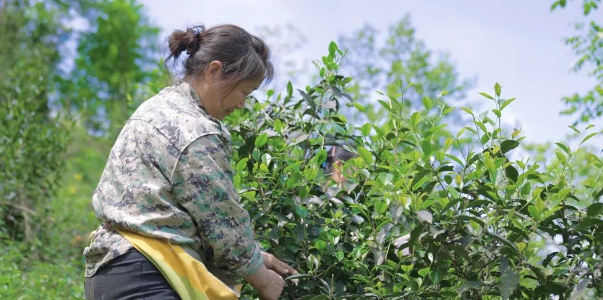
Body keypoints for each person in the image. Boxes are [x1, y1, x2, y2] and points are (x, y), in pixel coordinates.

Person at [83, 24, 296, 300]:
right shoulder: (196, 129)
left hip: (107, 273)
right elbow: (221, 221)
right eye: (245, 92)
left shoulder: (153, 108)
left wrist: (257, 256)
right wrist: (262, 278)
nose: (242, 105)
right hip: (150, 277)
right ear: (214, 70)